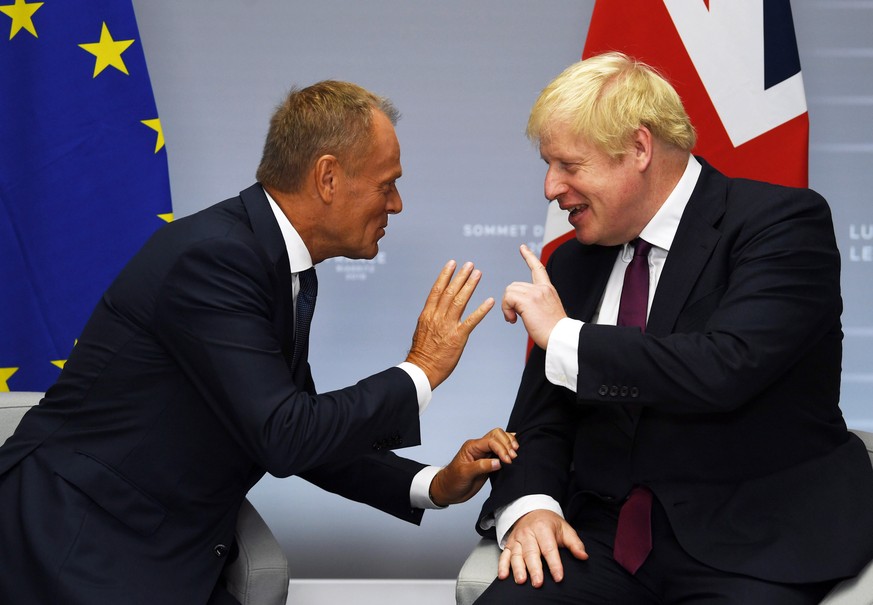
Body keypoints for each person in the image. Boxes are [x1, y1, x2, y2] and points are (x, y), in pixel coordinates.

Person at [0, 80, 518, 605]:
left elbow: (303, 431)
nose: (397, 204)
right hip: (76, 543)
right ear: (328, 177)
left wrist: (433, 484)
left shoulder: (277, 265)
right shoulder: (214, 260)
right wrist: (422, 369)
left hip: (157, 546)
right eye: (387, 184)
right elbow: (286, 434)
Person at [474, 52, 873, 604]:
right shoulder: (571, 262)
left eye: (568, 165)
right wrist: (533, 505)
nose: (550, 187)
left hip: (754, 541)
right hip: (604, 540)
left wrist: (567, 337)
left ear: (639, 149)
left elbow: (724, 366)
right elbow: (543, 421)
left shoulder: (781, 224)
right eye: (548, 165)